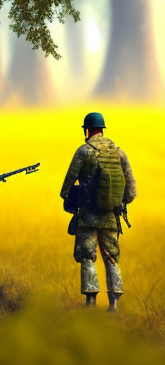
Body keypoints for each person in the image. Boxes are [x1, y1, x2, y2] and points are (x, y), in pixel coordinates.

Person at [60, 112, 137, 311]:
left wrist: (68, 197)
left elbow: (68, 182)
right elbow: (132, 190)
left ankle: (91, 301)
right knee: (111, 256)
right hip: (111, 216)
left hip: (87, 216)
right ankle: (114, 303)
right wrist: (117, 204)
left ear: (87, 130)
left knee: (87, 255)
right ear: (102, 129)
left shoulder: (84, 151)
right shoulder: (119, 152)